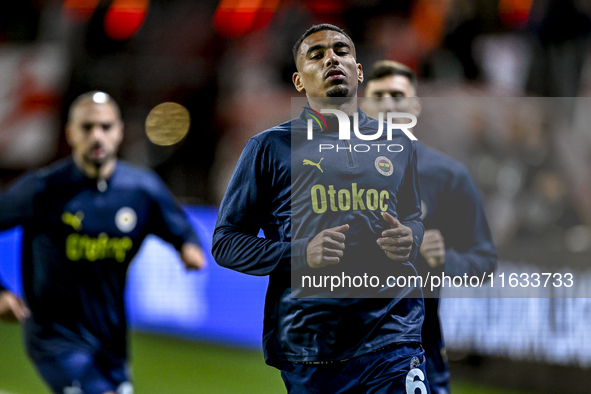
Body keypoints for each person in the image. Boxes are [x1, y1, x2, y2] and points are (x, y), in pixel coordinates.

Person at [213, 24, 430, 393]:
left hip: (393, 338)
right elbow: (226, 242)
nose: (332, 58)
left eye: (342, 51)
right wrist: (301, 254)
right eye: (316, 54)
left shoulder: (397, 144)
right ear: (299, 81)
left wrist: (410, 237)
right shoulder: (269, 149)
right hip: (313, 349)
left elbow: (412, 218)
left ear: (359, 71)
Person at [0, 91, 205, 394]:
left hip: (110, 339)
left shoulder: (141, 190)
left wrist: (188, 249)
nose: (97, 136)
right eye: (87, 127)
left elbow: (182, 231)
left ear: (120, 132)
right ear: (70, 133)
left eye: (106, 127)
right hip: (56, 338)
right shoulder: (42, 189)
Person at [363, 60, 497, 394]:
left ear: (414, 106)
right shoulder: (330, 170)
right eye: (378, 96)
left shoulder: (448, 176)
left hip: (414, 349)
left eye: (398, 95)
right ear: (363, 106)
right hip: (343, 347)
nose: (388, 104)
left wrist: (442, 260)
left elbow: (484, 261)